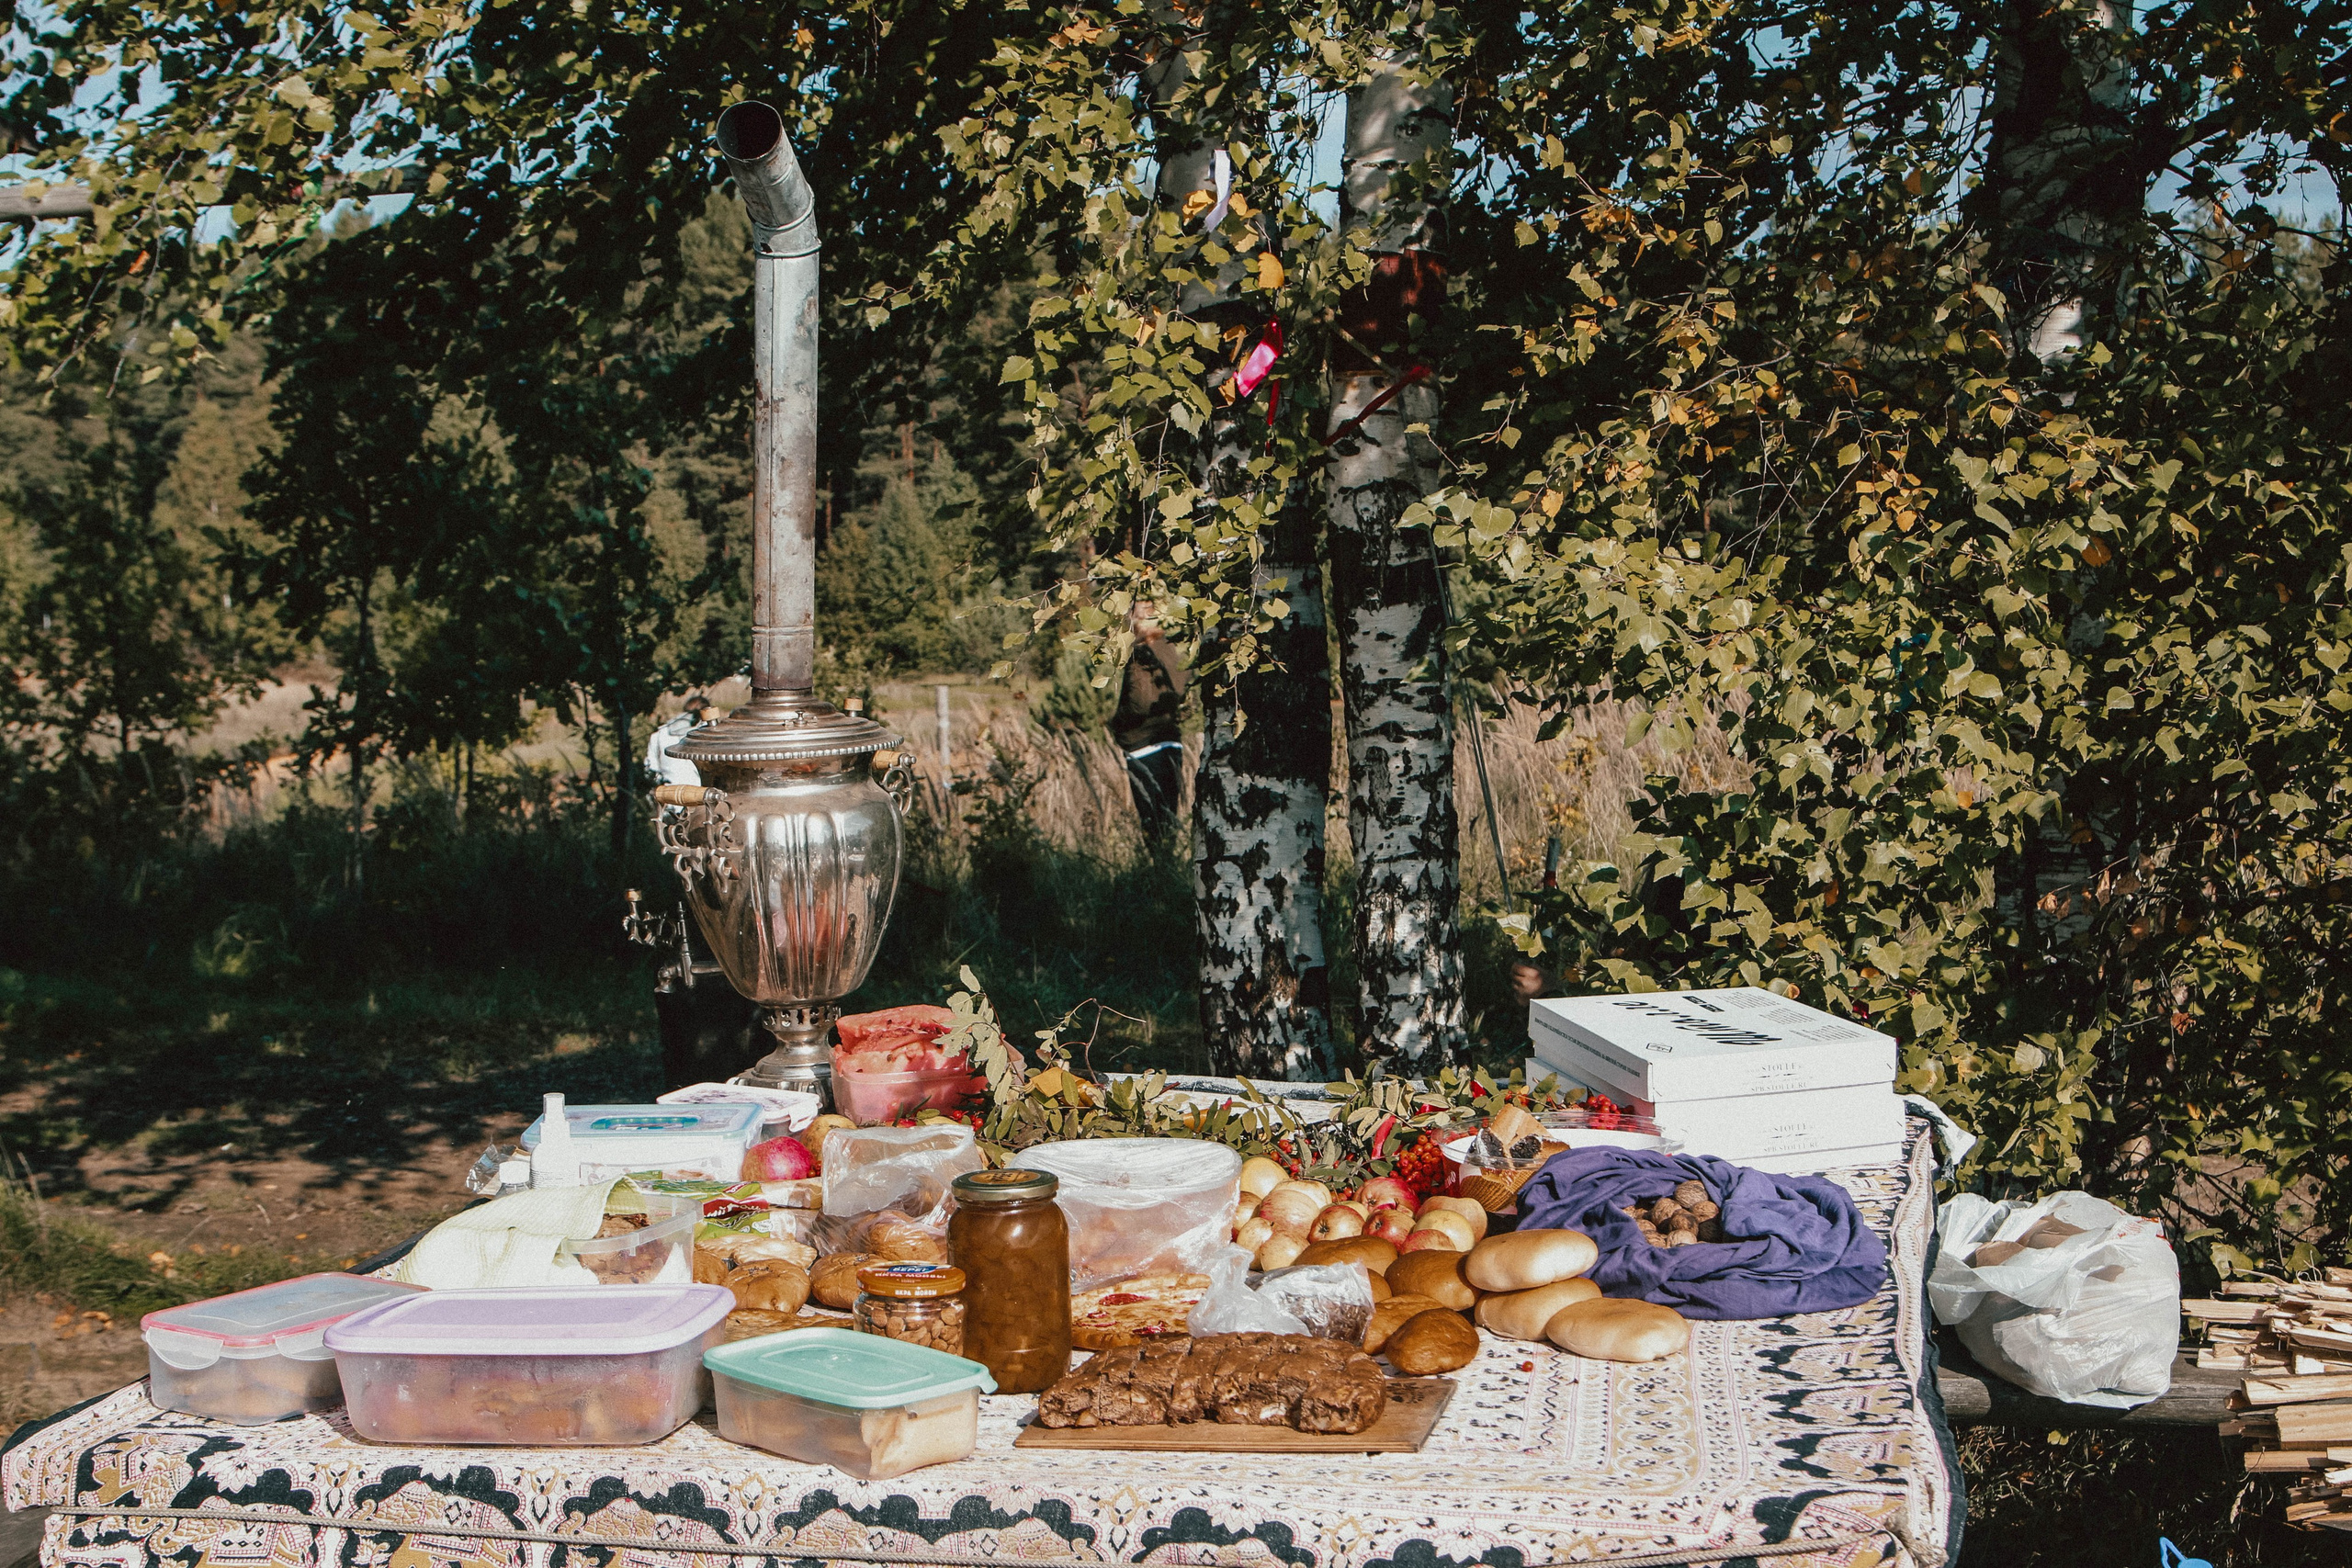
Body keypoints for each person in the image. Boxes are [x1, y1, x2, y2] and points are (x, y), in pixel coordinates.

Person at [1111, 604, 1187, 839]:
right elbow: (1183, 690)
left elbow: (1139, 703)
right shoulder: (1172, 648)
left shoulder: (1140, 653)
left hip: (1142, 746)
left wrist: (1117, 723)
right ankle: (1168, 867)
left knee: (1153, 824)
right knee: (1168, 818)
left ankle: (1159, 870)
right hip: (1171, 742)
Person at [645, 694, 712, 790]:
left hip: (668, 794)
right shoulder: (707, 733)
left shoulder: (659, 734)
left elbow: (650, 769)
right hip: (699, 795)